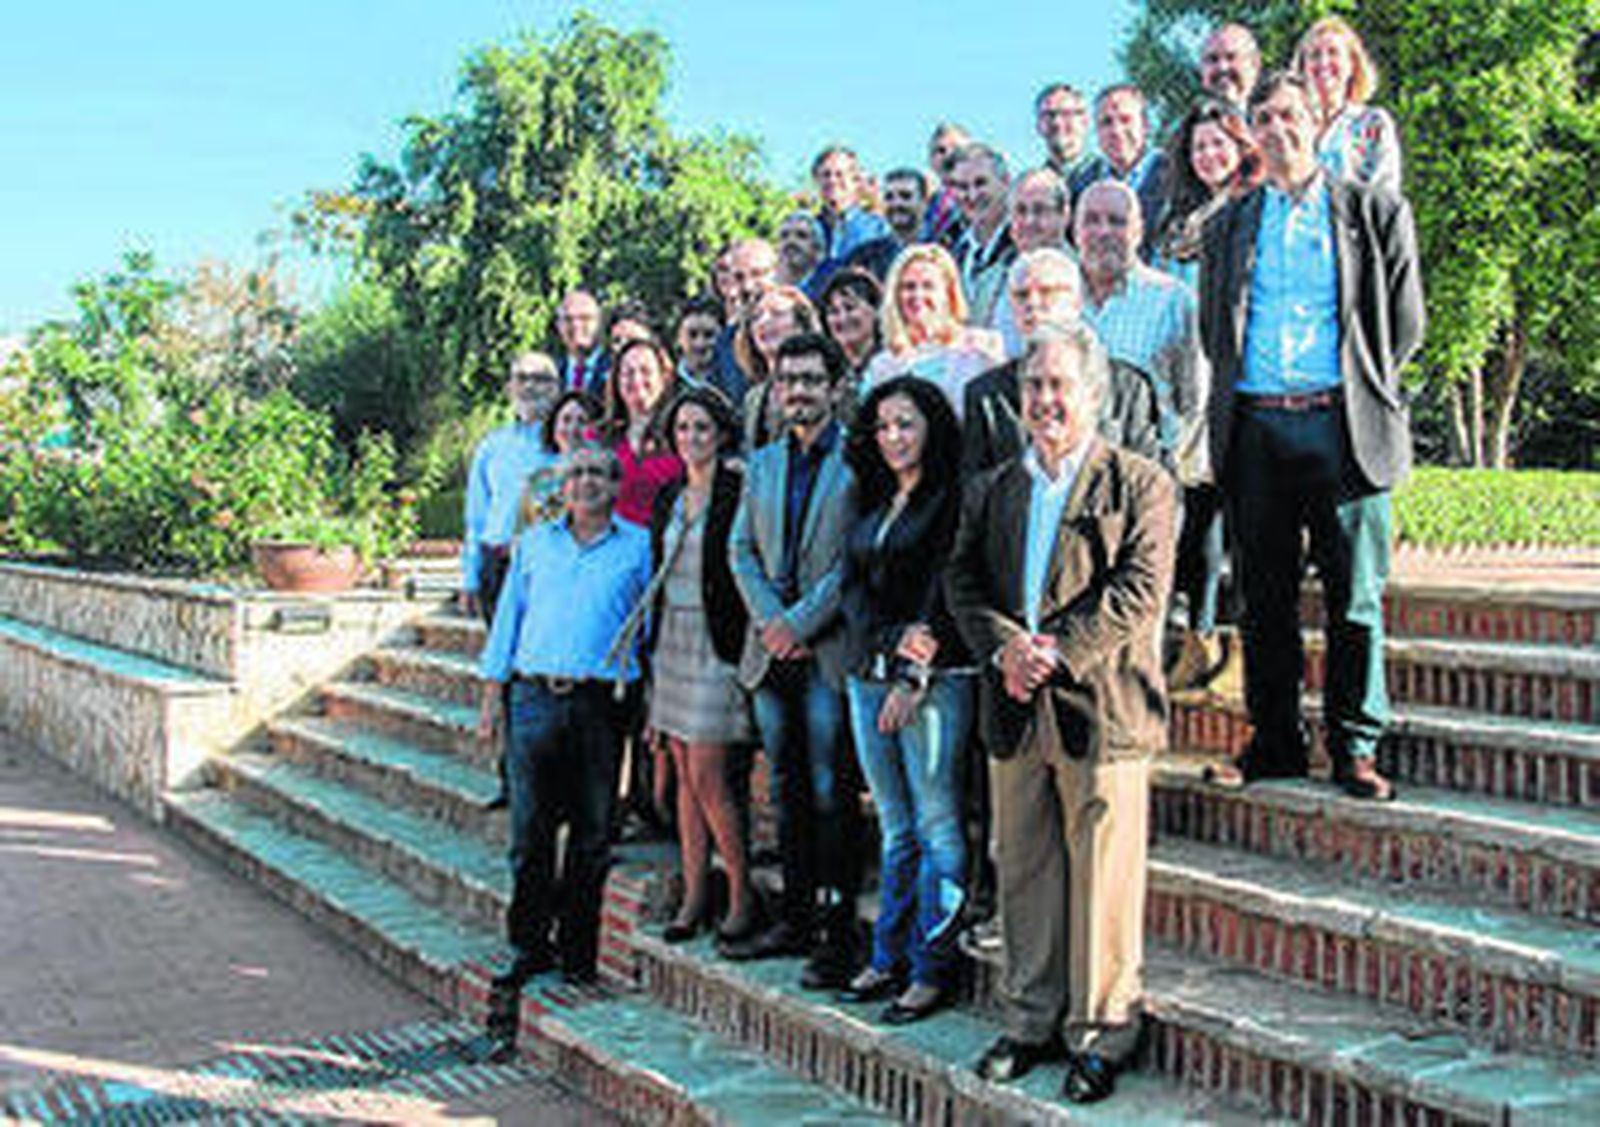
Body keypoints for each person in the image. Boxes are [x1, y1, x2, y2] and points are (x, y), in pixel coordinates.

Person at [946, 325, 1175, 1106]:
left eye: (1059, 385)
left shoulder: (1139, 482)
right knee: (1026, 865)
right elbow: (962, 581)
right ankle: (1030, 1019)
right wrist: (1008, 648)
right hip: (1013, 706)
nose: (1044, 399)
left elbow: (1140, 590)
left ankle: (1102, 1032)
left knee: (1104, 876)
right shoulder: (994, 487)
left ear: (1092, 393)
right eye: (1033, 385)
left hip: (1101, 707)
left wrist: (1055, 649)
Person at [1198, 71, 1424, 802]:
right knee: (1262, 601)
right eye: (1262, 118)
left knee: (1354, 597)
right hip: (1257, 425)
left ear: (1317, 121)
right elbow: (1214, 329)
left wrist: (1361, 385)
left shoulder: (1371, 209)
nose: (1277, 128)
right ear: (1251, 132)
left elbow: (1405, 320)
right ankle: (1275, 742)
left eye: (1289, 114)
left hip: (1343, 425)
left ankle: (1355, 745)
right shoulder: (1230, 224)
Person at [477, 442, 652, 994]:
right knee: (529, 834)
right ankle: (529, 946)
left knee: (592, 834)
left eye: (598, 473)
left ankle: (578, 952)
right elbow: (507, 622)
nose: (586, 482)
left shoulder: (641, 547)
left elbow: (649, 632)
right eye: (576, 472)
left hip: (602, 705)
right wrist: (491, 698)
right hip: (533, 700)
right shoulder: (532, 546)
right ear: (561, 484)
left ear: (615, 484)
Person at [725, 332, 862, 991]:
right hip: (770, 652)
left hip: (826, 651)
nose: (799, 390)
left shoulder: (858, 462)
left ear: (836, 386)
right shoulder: (763, 461)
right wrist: (770, 623)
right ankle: (795, 917)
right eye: (788, 380)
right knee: (786, 787)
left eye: (811, 378)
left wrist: (801, 621)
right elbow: (739, 549)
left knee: (832, 789)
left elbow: (851, 562)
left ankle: (837, 934)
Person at [836, 375, 974, 1025]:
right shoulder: (872, 497)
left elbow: (944, 596)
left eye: (906, 423)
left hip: (932, 682)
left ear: (931, 428)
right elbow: (853, 591)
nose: (893, 436)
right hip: (867, 673)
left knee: (937, 824)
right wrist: (887, 645)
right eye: (884, 425)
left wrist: (912, 672)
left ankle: (930, 967)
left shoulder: (952, 500)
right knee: (895, 825)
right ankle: (886, 956)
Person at [1152, 99, 1263, 690]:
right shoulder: (1178, 222)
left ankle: (1240, 647)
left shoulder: (1253, 209)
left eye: (1219, 143)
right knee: (1195, 518)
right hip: (1187, 385)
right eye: (1199, 146)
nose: (1209, 154)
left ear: (1241, 145)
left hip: (1239, 381)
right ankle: (1199, 635)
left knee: (1243, 520)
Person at [647, 387, 757, 945]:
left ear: (721, 434)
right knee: (685, 782)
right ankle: (694, 895)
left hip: (720, 644)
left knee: (711, 775)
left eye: (702, 428)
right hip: (672, 642)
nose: (692, 438)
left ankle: (741, 893)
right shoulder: (668, 496)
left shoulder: (739, 490)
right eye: (683, 429)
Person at [1076, 180, 1205, 474]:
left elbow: (1193, 403)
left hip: (1147, 473)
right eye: (1092, 220)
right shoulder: (1058, 299)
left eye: (1117, 221)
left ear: (1138, 230)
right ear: (1075, 228)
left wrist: (1169, 476)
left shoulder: (1172, 300)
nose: (1103, 231)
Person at [460, 351, 563, 625]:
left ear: (556, 388)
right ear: (510, 388)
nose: (530, 386)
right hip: (497, 567)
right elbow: (476, 517)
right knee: (500, 661)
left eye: (541, 378)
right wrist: (470, 576)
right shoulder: (491, 447)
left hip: (550, 570)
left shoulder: (569, 447)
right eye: (522, 378)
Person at [962, 248, 1082, 477]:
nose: (1033, 304)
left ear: (1076, 303)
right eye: (1022, 295)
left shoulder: (1127, 387)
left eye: (1047, 292)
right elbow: (975, 491)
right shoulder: (985, 395)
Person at [863, 243, 1004, 420]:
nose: (917, 295)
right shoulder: (882, 367)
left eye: (928, 286)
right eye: (908, 287)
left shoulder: (982, 350)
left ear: (948, 293)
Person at [1294, 15, 1403, 192]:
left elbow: (1385, 193)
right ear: (1303, 68)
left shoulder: (1372, 123)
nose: (1323, 62)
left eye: (1333, 52)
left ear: (1352, 64)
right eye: (1314, 55)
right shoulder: (1291, 126)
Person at [989, 168, 1073, 356]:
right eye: (1020, 210)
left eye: (1040, 210)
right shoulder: (990, 283)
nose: (1029, 221)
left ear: (1065, 215)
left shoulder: (1087, 276)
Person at [600, 338, 684, 527]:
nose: (636, 380)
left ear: (664, 378)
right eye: (627, 373)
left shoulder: (683, 433)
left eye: (645, 371)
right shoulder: (598, 438)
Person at [736, 286, 822, 449]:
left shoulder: (824, 386)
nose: (764, 322)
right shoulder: (752, 399)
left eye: (777, 313)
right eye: (756, 317)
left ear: (801, 325)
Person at [1093, 85, 1169, 255]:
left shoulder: (1177, 176)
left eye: (1125, 120)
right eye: (1106, 122)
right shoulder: (1083, 185)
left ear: (1145, 126)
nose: (1116, 131)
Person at [948, 143, 1015, 327]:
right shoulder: (953, 253)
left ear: (1006, 181)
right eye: (962, 187)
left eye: (980, 183)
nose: (972, 195)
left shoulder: (1024, 243)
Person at [520, 389, 602, 526]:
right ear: (554, 426)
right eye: (566, 419)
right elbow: (524, 530)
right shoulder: (537, 479)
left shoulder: (605, 481)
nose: (573, 428)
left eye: (582, 421)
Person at [812, 146, 892, 265]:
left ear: (856, 182)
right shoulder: (808, 229)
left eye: (839, 174)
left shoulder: (878, 229)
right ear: (816, 180)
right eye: (826, 174)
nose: (832, 180)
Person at [846, 168, 927, 281]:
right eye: (889, 197)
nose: (897, 203)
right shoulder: (864, 257)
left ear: (924, 202)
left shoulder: (942, 252)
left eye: (905, 196)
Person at [1034, 83, 1106, 207]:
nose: (1057, 122)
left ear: (1084, 122)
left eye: (1066, 113)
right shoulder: (1032, 187)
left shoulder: (1106, 178)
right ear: (1039, 126)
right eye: (1049, 115)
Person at [922, 123, 972, 247]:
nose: (948, 155)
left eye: (956, 148)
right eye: (940, 150)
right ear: (931, 161)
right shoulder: (926, 207)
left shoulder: (980, 196)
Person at [1199, 23, 1262, 111]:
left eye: (1231, 57)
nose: (1222, 67)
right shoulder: (1190, 123)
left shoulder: (1277, 118)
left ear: (1254, 64)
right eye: (1213, 59)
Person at [554, 290, 606, 396]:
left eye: (585, 318)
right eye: (568, 319)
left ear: (599, 324)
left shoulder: (615, 370)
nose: (576, 325)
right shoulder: (551, 375)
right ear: (558, 326)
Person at [673, 297, 726, 393]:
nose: (700, 343)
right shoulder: (667, 385)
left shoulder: (734, 379)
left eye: (709, 335)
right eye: (692, 335)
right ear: (679, 339)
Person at [777, 210, 829, 297]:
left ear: (817, 248)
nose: (791, 241)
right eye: (784, 236)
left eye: (801, 235)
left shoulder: (825, 288)